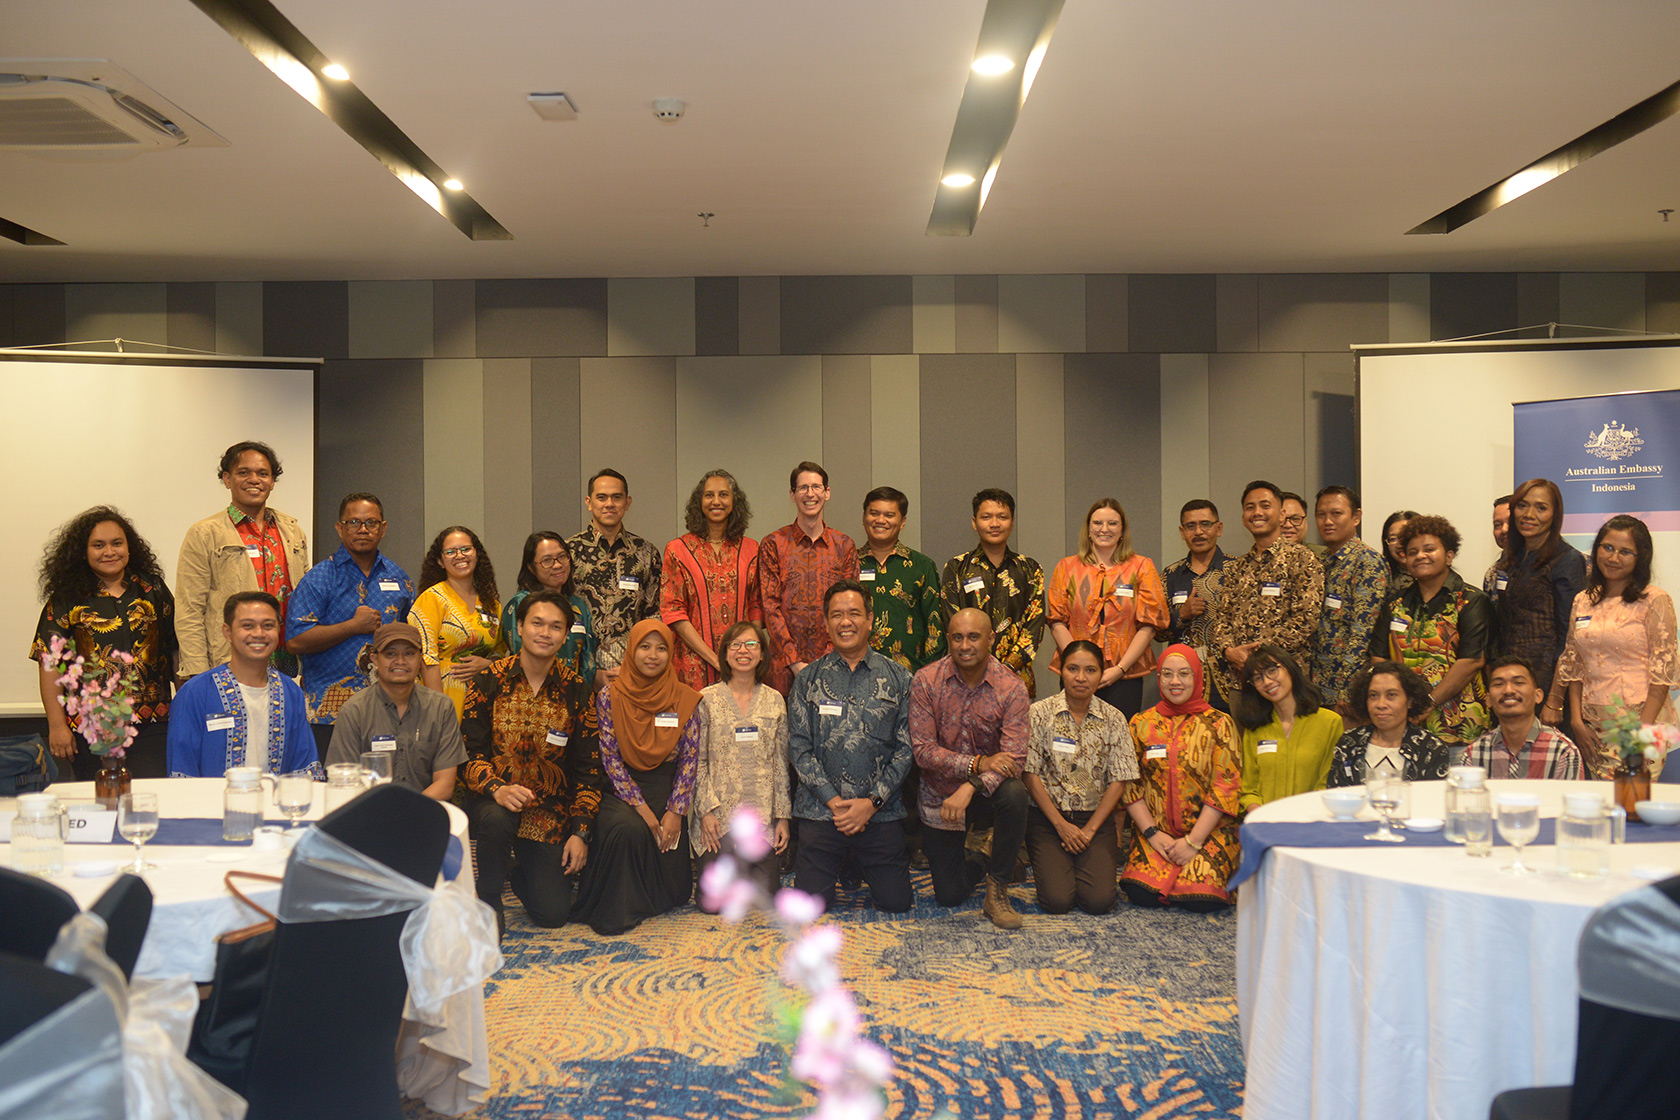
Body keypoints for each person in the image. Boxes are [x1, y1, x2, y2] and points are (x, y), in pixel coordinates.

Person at [459, 591, 602, 932]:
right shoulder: (488, 681)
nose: (545, 633)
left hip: (548, 812)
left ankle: (519, 868)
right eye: (537, 623)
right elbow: (468, 756)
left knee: (553, 915)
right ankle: (489, 899)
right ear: (519, 627)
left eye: (556, 627)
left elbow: (589, 769)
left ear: (566, 635)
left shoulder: (578, 690)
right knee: (496, 818)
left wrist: (581, 832)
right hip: (494, 802)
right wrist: (497, 788)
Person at [788, 580, 914, 912]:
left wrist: (872, 803)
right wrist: (833, 801)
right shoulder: (807, 680)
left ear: (870, 620)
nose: (846, 622)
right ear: (826, 623)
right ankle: (846, 861)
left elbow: (906, 749)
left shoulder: (900, 678)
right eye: (837, 615)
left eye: (855, 613)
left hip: (879, 811)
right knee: (810, 906)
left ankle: (854, 862)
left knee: (896, 902)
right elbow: (799, 748)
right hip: (821, 810)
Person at [573, 620, 703, 935]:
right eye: (645, 646)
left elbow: (689, 758)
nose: (653, 655)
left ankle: (653, 896)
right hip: (622, 790)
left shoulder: (685, 699)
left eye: (661, 648)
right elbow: (610, 758)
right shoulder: (609, 696)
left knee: (676, 888)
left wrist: (675, 812)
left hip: (668, 789)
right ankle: (619, 909)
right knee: (626, 829)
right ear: (632, 651)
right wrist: (642, 810)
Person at [31, 507, 178, 779]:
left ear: (129, 547)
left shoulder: (153, 589)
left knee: (149, 801)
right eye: (98, 545)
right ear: (83, 551)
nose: (109, 552)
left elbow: (176, 650)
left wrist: (187, 711)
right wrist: (56, 726)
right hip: (91, 726)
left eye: (117, 543)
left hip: (154, 724)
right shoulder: (67, 597)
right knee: (101, 803)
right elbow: (49, 663)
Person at [909, 608, 1031, 929]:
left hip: (986, 793)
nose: (965, 645)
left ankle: (998, 888)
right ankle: (984, 858)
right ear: (948, 640)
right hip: (941, 796)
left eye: (974, 637)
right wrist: (977, 763)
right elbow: (922, 752)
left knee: (1016, 793)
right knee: (949, 894)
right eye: (958, 637)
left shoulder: (1012, 687)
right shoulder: (926, 681)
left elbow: (1015, 758)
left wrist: (973, 783)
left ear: (991, 639)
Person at [285, 493, 415, 763]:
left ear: (383, 528)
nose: (363, 530)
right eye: (354, 522)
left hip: (388, 711)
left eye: (372, 523)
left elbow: (412, 641)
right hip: (329, 713)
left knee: (382, 790)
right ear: (340, 528)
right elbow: (295, 641)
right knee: (333, 792)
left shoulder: (399, 578)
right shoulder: (320, 578)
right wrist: (353, 626)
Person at [1549, 516, 1678, 778]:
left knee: (1631, 804)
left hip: (1642, 724)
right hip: (1592, 726)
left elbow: (1661, 677)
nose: (1613, 558)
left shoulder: (1655, 600)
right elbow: (1574, 663)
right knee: (1603, 805)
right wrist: (1576, 721)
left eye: (1625, 552)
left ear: (1640, 557)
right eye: (1607, 548)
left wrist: (1641, 736)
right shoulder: (1583, 600)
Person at [175, 441, 310, 680]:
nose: (254, 479)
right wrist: (197, 672)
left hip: (286, 662)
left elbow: (305, 598)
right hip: (228, 662)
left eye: (263, 473)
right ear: (227, 479)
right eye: (243, 472)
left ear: (272, 481)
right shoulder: (204, 533)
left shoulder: (292, 531)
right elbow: (189, 609)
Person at [1121, 646, 1241, 911]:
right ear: (1159, 678)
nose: (1175, 682)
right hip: (1156, 834)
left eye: (1184, 674)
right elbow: (1130, 784)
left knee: (1201, 898)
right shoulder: (1141, 723)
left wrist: (1193, 842)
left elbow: (1226, 786)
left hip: (1210, 834)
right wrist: (1153, 834)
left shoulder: (1220, 723)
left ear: (1198, 677)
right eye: (1167, 674)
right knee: (1141, 894)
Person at [1023, 640, 1138, 916]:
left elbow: (1119, 780)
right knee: (1057, 901)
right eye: (1073, 668)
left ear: (1101, 674)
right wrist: (1061, 826)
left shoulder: (1114, 718)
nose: (1081, 677)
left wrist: (1088, 831)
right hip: (1049, 820)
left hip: (1094, 822)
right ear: (1061, 671)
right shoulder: (1038, 713)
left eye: (1090, 670)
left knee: (1099, 902)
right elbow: (1029, 773)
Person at [1368, 515, 1493, 754]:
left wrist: (1430, 702)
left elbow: (1472, 660)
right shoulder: (1395, 604)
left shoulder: (1470, 601)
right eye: (1412, 552)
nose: (1420, 556)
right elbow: (1379, 656)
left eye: (1429, 549)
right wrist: (1399, 702)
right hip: (1403, 725)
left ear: (1449, 555)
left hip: (1458, 728)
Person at [690, 620, 789, 906]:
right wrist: (706, 811)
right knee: (713, 904)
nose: (743, 651)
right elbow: (698, 760)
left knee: (768, 897)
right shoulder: (705, 699)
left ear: (761, 654)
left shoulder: (774, 701)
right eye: (735, 645)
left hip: (760, 819)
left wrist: (782, 817)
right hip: (718, 818)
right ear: (724, 653)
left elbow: (780, 764)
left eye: (751, 644)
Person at [166, 592, 317, 777]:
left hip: (276, 804)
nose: (259, 634)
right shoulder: (195, 693)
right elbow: (181, 774)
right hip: (211, 804)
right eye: (248, 626)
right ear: (227, 632)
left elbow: (305, 769)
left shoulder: (291, 692)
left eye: (268, 625)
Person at [1047, 499, 1170, 717]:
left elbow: (1149, 625)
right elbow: (1056, 621)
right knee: (1073, 739)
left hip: (1124, 675)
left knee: (1117, 741)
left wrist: (1120, 669)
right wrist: (1079, 665)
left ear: (1122, 530)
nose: (1105, 529)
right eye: (1098, 523)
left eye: (1112, 523)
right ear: (1088, 529)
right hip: (1076, 675)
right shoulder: (1066, 567)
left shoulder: (1141, 566)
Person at [1205, 480, 1324, 705]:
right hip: (1241, 684)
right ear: (1243, 518)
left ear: (1281, 515)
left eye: (1265, 505)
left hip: (1285, 682)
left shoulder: (1302, 559)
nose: (1257, 512)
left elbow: (1306, 620)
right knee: (1248, 741)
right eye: (1250, 507)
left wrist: (1258, 659)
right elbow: (1222, 621)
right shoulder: (1237, 568)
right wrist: (1229, 651)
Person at [325, 623, 463, 799]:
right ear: (375, 659)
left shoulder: (441, 708)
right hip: (370, 815)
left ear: (421, 658)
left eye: (409, 653)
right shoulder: (354, 711)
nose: (400, 661)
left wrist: (406, 813)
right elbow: (344, 783)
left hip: (425, 812)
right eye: (390, 654)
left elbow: (445, 785)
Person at [758, 461, 860, 694]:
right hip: (783, 668)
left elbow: (850, 608)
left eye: (816, 487)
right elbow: (769, 606)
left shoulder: (844, 545)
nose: (810, 494)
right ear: (792, 495)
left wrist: (825, 661)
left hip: (836, 664)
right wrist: (795, 662)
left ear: (827, 492)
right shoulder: (773, 544)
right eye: (803, 488)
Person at [940, 488, 1047, 699]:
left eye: (1002, 517)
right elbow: (952, 622)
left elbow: (1035, 626)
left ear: (1012, 522)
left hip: (1016, 678)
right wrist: (979, 668)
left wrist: (1006, 667)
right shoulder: (956, 567)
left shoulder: (1029, 569)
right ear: (974, 522)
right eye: (986, 517)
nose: (995, 524)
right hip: (966, 677)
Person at [661, 470, 761, 691]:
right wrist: (715, 660)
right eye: (709, 495)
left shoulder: (752, 549)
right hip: (691, 668)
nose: (716, 501)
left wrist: (748, 653)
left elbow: (756, 607)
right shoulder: (677, 550)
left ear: (735, 502)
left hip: (741, 666)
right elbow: (673, 611)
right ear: (699, 502)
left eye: (723, 495)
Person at [567, 469, 663, 690]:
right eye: (602, 497)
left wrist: (637, 666)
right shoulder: (568, 551)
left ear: (627, 502)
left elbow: (654, 616)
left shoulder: (646, 553)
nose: (609, 503)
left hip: (633, 673)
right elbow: (558, 613)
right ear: (589, 503)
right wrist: (590, 672)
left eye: (616, 497)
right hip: (577, 673)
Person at [1491, 478, 1587, 697]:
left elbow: (1569, 637)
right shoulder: (1510, 557)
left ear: (1555, 515)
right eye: (1523, 505)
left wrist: (1555, 696)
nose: (1529, 515)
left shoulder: (1567, 559)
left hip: (1546, 681)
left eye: (1541, 508)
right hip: (1509, 679)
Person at [409, 526, 503, 721]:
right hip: (440, 702)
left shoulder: (492, 605)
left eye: (466, 549)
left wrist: (486, 664)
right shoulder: (431, 599)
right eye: (450, 552)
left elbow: (501, 656)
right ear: (440, 561)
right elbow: (427, 658)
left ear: (477, 554)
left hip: (483, 702)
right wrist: (440, 711)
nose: (460, 556)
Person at [1235, 645, 1342, 812]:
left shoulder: (1329, 722)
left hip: (1313, 823)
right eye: (1258, 678)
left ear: (1290, 668)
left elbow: (1328, 784)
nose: (1267, 682)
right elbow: (1249, 790)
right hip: (1266, 825)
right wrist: (1261, 815)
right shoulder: (1255, 728)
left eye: (1272, 670)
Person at [1311, 486, 1388, 713]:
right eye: (1321, 515)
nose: (1327, 521)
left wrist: (1348, 688)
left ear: (1356, 517)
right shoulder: (1321, 561)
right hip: (1317, 687)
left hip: (1346, 693)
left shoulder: (1368, 562)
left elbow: (1362, 632)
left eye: (1336, 514)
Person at [859, 486, 944, 673]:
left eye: (889, 515)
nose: (881, 520)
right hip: (856, 675)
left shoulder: (922, 566)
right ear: (864, 517)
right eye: (874, 513)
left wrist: (926, 675)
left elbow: (935, 625)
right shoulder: (848, 563)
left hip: (910, 677)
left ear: (903, 521)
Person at [1326, 661, 1451, 787]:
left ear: (1410, 701)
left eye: (1391, 695)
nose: (1381, 704)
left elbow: (1434, 802)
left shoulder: (1431, 748)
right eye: (1373, 695)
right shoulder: (1349, 742)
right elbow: (1336, 796)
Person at [1462, 655, 1584, 779]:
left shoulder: (1562, 751)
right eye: (1498, 684)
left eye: (1518, 683)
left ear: (1538, 696)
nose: (1508, 690)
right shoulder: (1476, 752)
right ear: (1488, 700)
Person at [1161, 499, 1230, 710]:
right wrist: (1181, 614)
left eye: (1205, 524)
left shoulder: (1238, 570)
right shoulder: (1170, 575)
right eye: (1191, 526)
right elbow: (1157, 631)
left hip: (1230, 679)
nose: (1198, 532)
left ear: (1218, 528)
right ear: (1182, 532)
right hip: (1181, 683)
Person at [501, 532, 595, 684]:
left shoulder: (578, 605)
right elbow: (519, 655)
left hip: (573, 693)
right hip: (530, 692)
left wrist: (583, 691)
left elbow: (588, 657)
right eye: (547, 560)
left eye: (562, 557)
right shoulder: (521, 603)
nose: (557, 565)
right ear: (531, 567)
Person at [1379, 509, 1419, 593]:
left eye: (1405, 536)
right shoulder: (1382, 581)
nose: (1399, 544)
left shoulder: (1437, 579)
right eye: (1393, 539)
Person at [1483, 494, 1513, 596]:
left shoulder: (1549, 568)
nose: (1504, 529)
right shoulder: (1492, 575)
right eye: (1497, 525)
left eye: (1511, 522)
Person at [1278, 491, 1324, 558]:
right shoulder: (1259, 558)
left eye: (1295, 519)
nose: (1288, 525)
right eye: (1281, 519)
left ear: (1306, 522)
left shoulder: (1324, 557)